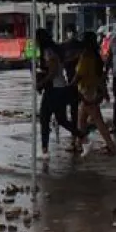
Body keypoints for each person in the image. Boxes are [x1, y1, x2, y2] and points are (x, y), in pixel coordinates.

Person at [35, 28, 85, 160]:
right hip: (60, 88)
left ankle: (44, 150)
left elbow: (53, 71)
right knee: (61, 119)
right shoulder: (55, 50)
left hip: (54, 89)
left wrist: (41, 83)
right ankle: (81, 136)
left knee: (45, 118)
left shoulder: (48, 52)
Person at [72, 31, 116, 156]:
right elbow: (99, 76)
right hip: (92, 89)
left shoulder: (86, 57)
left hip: (86, 90)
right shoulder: (96, 56)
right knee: (81, 120)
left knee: (97, 121)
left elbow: (79, 75)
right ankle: (78, 144)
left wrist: (71, 85)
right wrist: (104, 91)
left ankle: (111, 146)